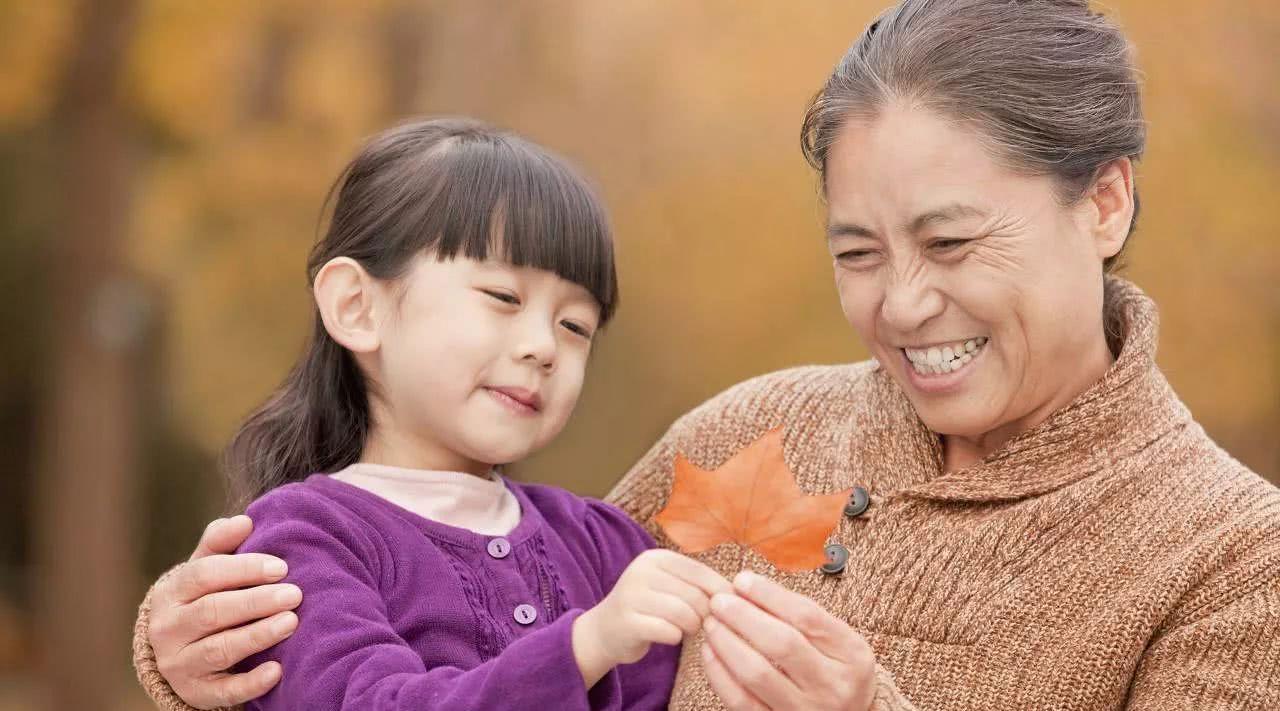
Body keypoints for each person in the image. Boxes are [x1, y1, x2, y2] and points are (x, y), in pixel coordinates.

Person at [134, 1, 1280, 709]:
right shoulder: (751, 434)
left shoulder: (1231, 560)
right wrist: (204, 662)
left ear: (1104, 203)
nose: (905, 303)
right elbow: (480, 632)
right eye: (858, 252)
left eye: (949, 240)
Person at [132, 115, 857, 711]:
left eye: (575, 327)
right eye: (503, 299)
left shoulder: (601, 542)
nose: (543, 347)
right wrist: (586, 644)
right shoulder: (301, 542)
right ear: (358, 306)